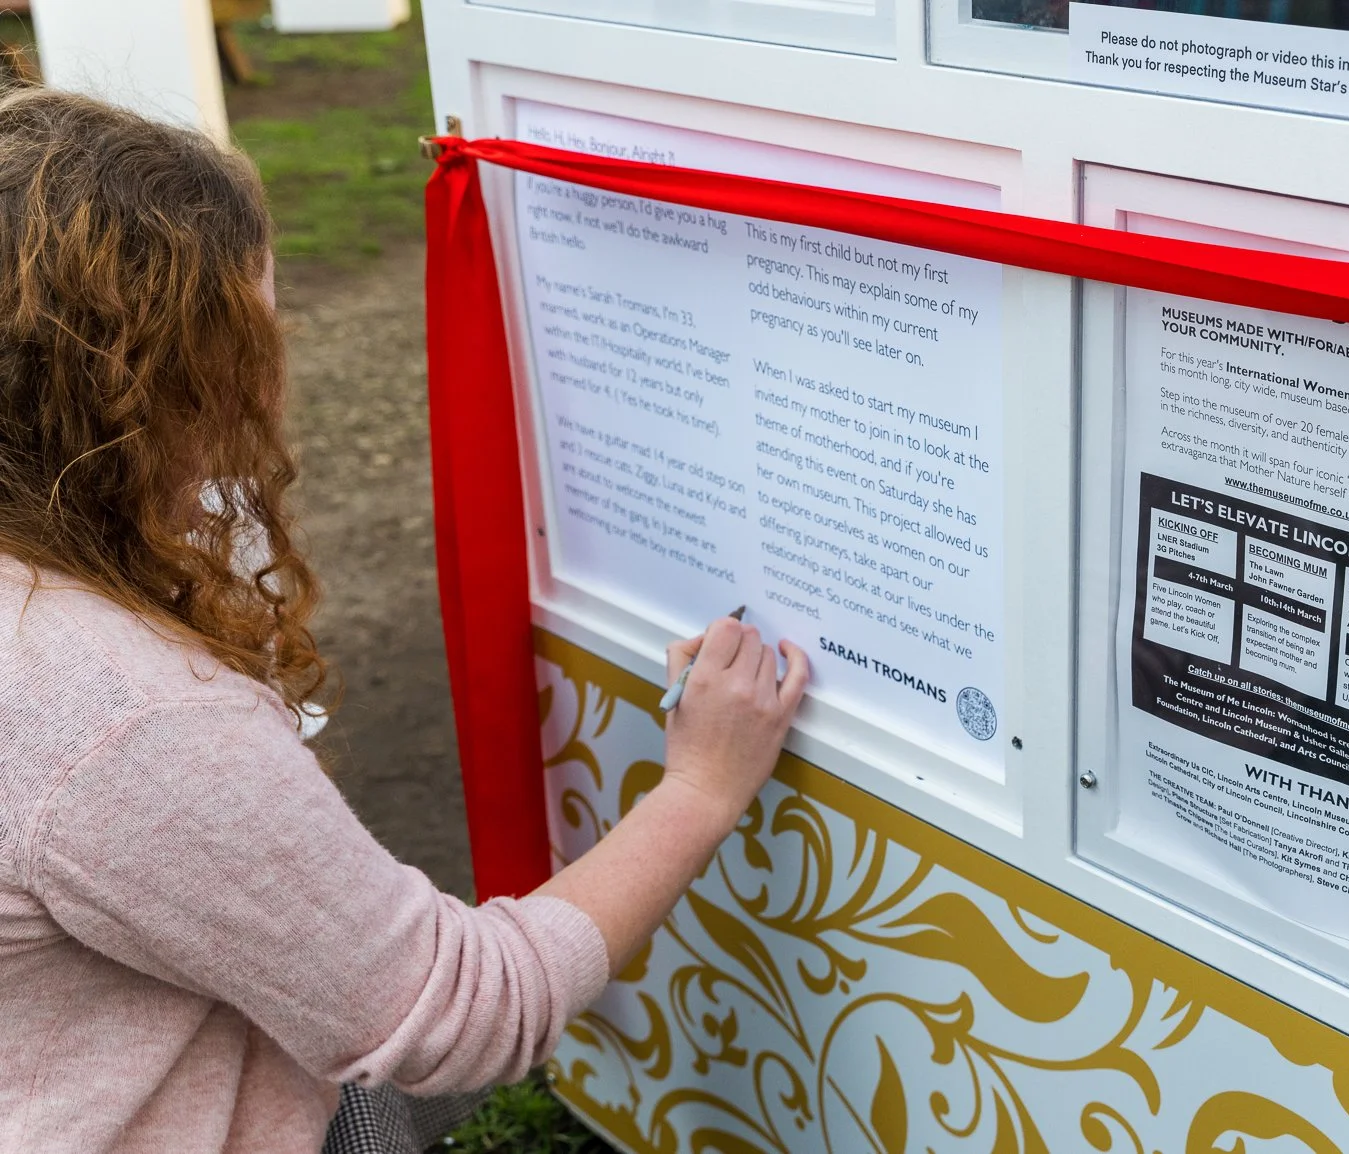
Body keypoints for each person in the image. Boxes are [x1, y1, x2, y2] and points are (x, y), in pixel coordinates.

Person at [0, 87, 810, 1153]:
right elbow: (458, 1013)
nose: (274, 383)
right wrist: (703, 786)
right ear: (137, 384)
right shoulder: (125, 720)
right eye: (252, 336)